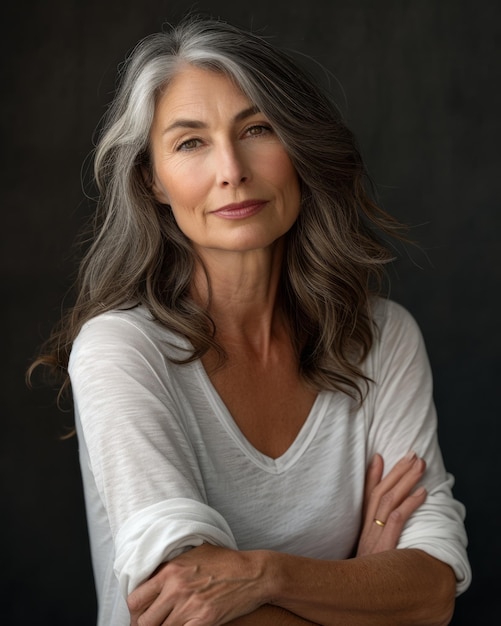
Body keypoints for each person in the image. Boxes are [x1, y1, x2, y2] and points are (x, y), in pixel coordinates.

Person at [30, 16, 471, 626]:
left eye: (257, 128)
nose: (231, 169)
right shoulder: (121, 350)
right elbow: (188, 611)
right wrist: (360, 586)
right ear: (152, 182)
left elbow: (431, 593)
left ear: (298, 146)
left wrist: (266, 575)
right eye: (191, 143)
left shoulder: (381, 338)